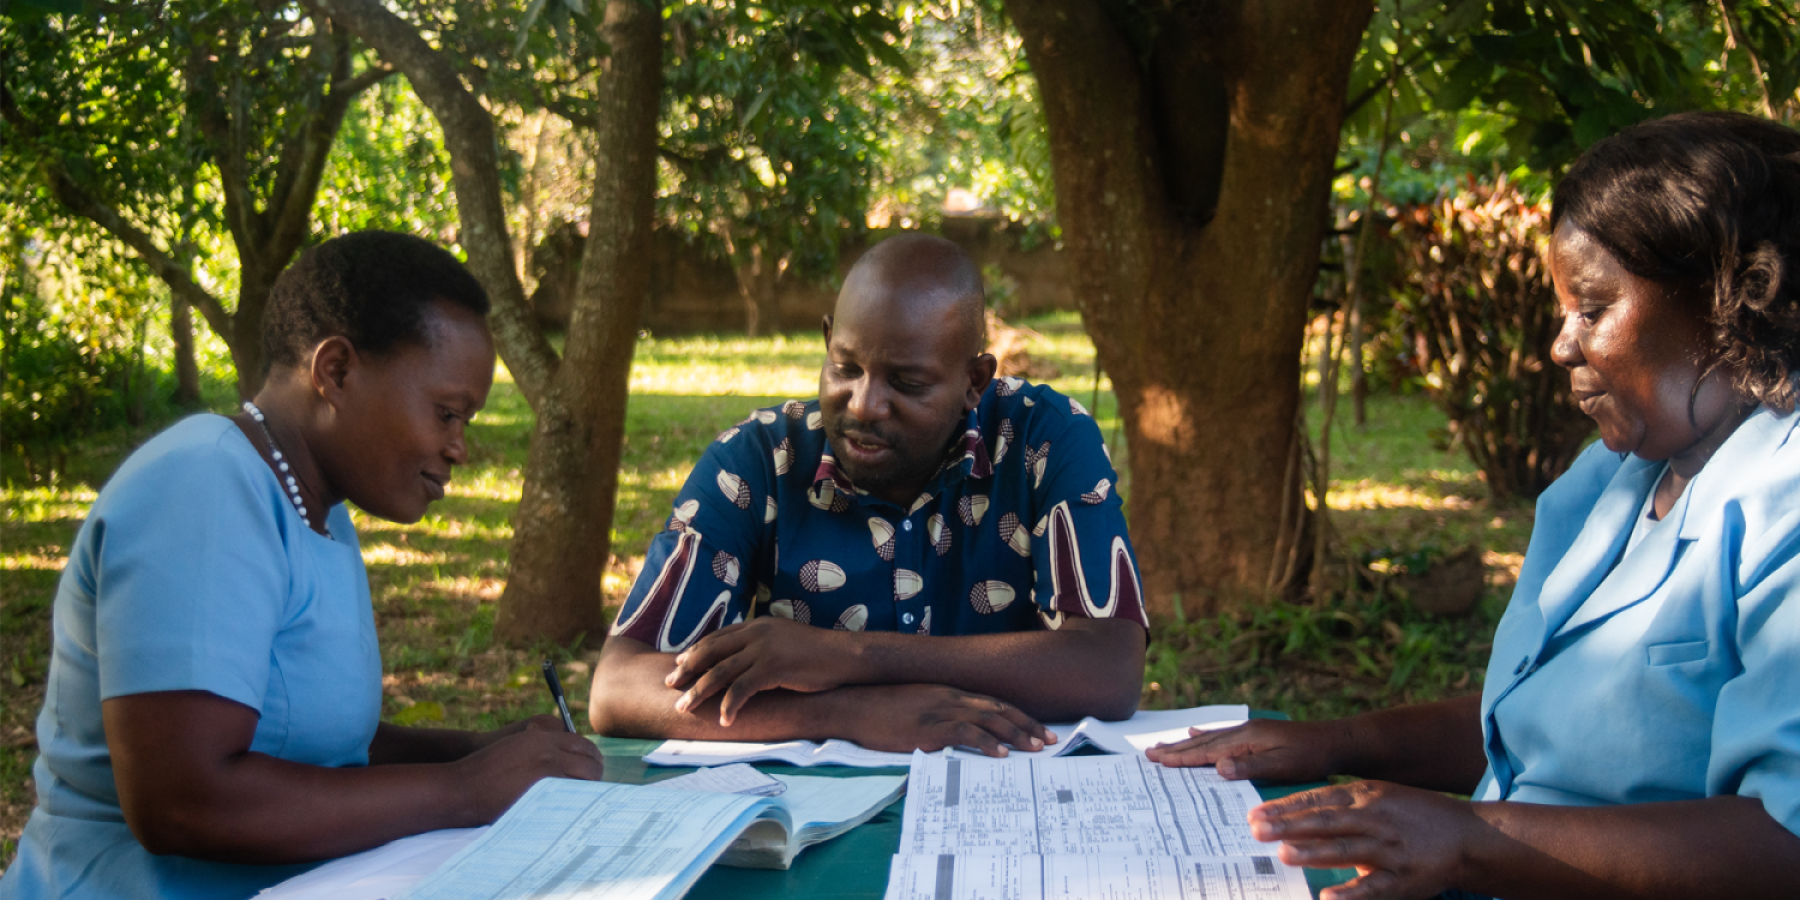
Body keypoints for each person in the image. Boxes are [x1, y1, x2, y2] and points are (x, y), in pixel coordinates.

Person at [1147, 111, 1800, 899]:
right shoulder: (1609, 484)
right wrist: (1334, 742)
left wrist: (1470, 839)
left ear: (1730, 302)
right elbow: (1534, 722)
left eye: (1592, 310)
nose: (1561, 346)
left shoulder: (1782, 502)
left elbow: (1782, 841)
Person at [0, 232, 604, 900]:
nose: (459, 448)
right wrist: (464, 789)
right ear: (337, 371)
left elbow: (316, 751)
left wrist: (479, 749)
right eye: (447, 412)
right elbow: (183, 801)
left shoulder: (318, 512)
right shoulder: (202, 484)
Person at [589, 234, 1149, 756]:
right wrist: (850, 713)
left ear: (973, 382)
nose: (863, 404)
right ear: (828, 339)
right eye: (846, 367)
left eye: (906, 384)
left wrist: (843, 656)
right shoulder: (759, 462)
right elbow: (620, 686)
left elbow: (1108, 667)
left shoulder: (1042, 439)